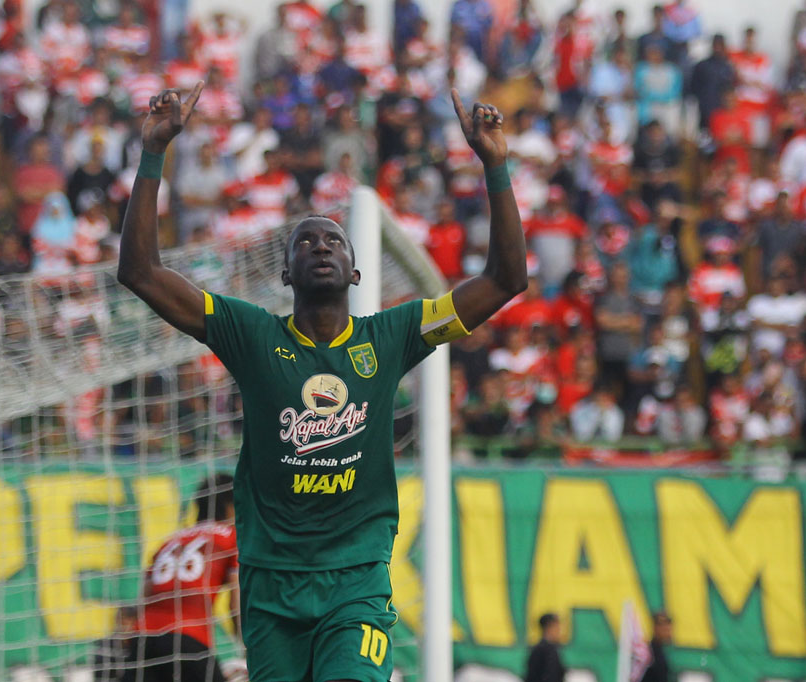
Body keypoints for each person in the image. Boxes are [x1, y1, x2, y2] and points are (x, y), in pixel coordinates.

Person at [117, 82, 526, 682]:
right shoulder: (251, 334)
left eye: (333, 238)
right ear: (285, 271)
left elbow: (506, 277)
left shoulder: (393, 335)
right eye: (305, 240)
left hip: (355, 579)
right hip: (269, 584)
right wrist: (154, 153)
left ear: (355, 269)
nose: (320, 246)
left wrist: (496, 167)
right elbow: (141, 271)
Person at [136, 473, 239, 682]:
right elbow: (236, 600)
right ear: (231, 504)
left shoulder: (171, 541)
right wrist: (244, 644)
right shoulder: (231, 537)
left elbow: (145, 595)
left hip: (144, 639)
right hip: (190, 638)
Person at [93, 607, 145, 682]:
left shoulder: (143, 645)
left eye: (129, 619)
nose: (125, 623)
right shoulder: (105, 645)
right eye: (121, 619)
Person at [525, 612, 566, 682]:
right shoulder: (542, 650)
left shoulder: (551, 649)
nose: (559, 630)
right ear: (549, 628)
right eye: (557, 627)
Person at [640, 611, 673, 682]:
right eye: (664, 628)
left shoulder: (660, 650)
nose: (667, 631)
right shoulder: (650, 652)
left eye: (668, 627)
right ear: (656, 628)